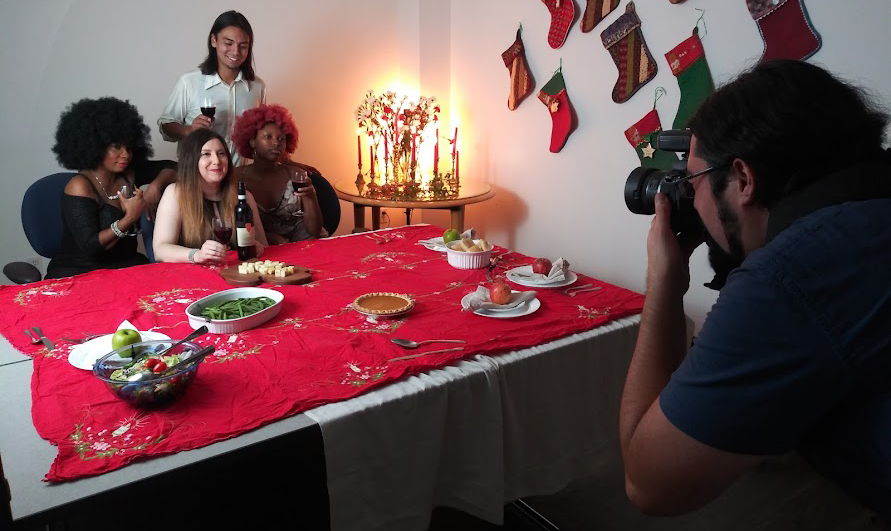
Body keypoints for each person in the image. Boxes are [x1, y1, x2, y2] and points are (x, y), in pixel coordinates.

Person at [619, 60, 891, 521]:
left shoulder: (790, 279)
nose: (690, 200)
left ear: (743, 179)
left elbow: (649, 483)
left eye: (692, 181)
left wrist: (664, 282)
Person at [46, 97, 175, 279]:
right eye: (116, 147)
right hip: (80, 270)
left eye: (129, 148)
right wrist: (130, 217)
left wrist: (156, 186)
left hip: (124, 265)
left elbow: (174, 168)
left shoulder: (128, 173)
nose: (126, 155)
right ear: (96, 146)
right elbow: (91, 246)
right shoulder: (80, 186)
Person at [158, 10, 265, 166]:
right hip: (196, 174)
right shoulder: (189, 82)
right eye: (228, 43)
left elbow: (262, 133)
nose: (236, 51)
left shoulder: (257, 87)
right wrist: (188, 130)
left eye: (243, 46)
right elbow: (166, 125)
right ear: (214, 40)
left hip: (239, 175)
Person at [153, 129, 267, 263]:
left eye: (221, 154)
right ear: (192, 160)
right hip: (191, 273)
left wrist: (258, 248)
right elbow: (160, 250)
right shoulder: (175, 193)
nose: (216, 161)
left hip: (237, 272)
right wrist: (196, 255)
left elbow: (263, 245)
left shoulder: (244, 197)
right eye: (206, 154)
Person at [231, 104, 323, 244]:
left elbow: (314, 231)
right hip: (259, 247)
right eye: (268, 137)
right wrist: (271, 239)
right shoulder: (236, 178)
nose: (276, 143)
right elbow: (234, 227)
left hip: (302, 246)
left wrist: (311, 198)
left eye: (281, 139)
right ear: (252, 142)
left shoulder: (297, 175)